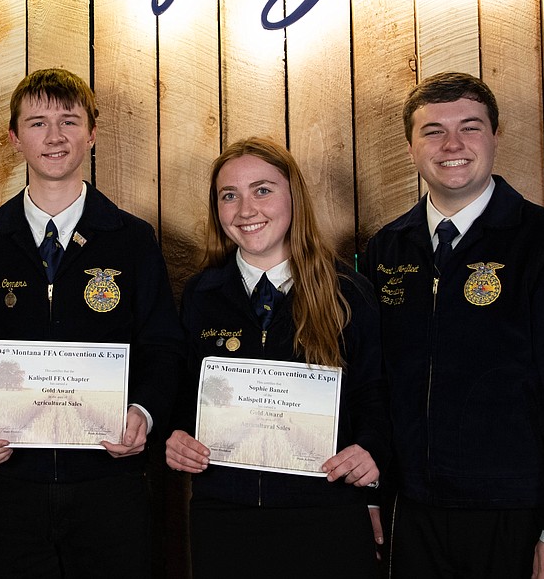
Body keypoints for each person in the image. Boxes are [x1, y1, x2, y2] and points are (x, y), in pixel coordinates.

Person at [366, 72, 544, 578]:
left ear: (496, 136)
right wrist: (372, 494)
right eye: (433, 130)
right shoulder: (386, 249)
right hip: (411, 513)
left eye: (470, 127)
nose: (452, 144)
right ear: (411, 147)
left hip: (517, 514)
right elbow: (372, 388)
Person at [0, 68, 183, 578]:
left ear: (93, 132)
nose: (55, 136)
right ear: (15, 138)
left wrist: (143, 414)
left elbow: (163, 347)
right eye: (37, 123)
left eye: (69, 120)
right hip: (9, 482)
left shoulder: (133, 240)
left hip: (110, 479)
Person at [164, 137, 388, 577]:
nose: (246, 209)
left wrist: (371, 453)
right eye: (230, 195)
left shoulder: (348, 293)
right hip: (224, 515)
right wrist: (175, 436)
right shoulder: (201, 295)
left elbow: (376, 393)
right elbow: (184, 388)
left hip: (325, 514)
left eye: (262, 190)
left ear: (293, 196)